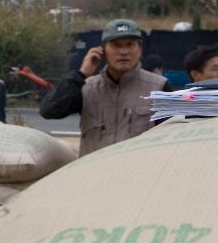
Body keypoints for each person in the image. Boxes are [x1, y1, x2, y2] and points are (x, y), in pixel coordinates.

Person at [39, 18, 170, 156]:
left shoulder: (159, 87)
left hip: (139, 175)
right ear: (102, 51)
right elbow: (49, 111)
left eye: (130, 44)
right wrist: (80, 74)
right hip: (93, 174)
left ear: (140, 49)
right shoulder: (86, 87)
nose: (123, 51)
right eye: (116, 45)